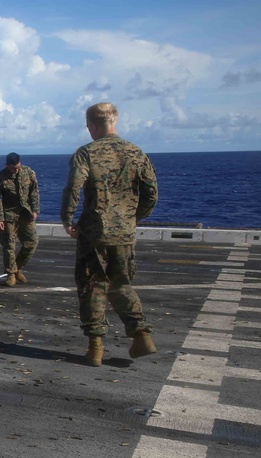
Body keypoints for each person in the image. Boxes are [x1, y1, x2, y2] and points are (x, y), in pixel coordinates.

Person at [60, 102, 158, 367]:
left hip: (95, 233)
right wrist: (131, 218)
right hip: (125, 234)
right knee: (122, 284)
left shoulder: (86, 153)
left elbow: (74, 188)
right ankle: (141, 334)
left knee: (92, 286)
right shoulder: (136, 152)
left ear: (92, 125)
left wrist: (68, 219)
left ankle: (96, 347)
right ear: (114, 122)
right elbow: (151, 194)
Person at [0, 152, 40, 287]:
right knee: (9, 245)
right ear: (7, 165)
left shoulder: (28, 172)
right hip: (9, 214)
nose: (16, 170)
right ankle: (11, 273)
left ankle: (18, 266)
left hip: (26, 213)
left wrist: (35, 209)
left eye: (18, 166)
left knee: (32, 241)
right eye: (13, 168)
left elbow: (34, 191)